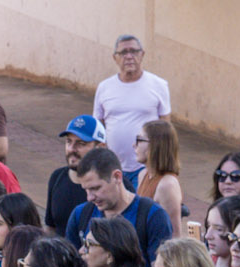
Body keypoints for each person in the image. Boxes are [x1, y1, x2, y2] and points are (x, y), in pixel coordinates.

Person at [67, 147, 173, 264]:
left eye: (96, 188)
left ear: (117, 177)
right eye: (86, 190)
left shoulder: (152, 216)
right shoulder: (80, 215)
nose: (90, 197)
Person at [92, 33, 169, 175]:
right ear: (115, 57)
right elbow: (98, 127)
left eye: (133, 51)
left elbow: (166, 129)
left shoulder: (159, 85)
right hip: (113, 167)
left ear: (142, 55)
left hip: (147, 168)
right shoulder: (104, 88)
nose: (128, 56)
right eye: (123, 52)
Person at [44, 115, 105, 237]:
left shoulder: (112, 184)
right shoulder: (57, 177)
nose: (72, 149)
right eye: (68, 141)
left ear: (100, 147)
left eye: (81, 143)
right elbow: (50, 228)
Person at [133, 120, 184, 228]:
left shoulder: (167, 185)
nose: (134, 145)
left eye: (139, 140)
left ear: (155, 145)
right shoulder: (143, 175)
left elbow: (174, 234)